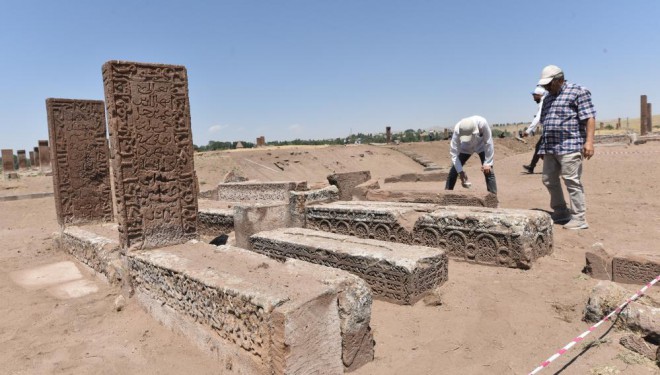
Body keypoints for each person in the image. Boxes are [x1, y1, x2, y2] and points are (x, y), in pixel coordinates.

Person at [536, 65, 596, 230]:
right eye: (545, 85)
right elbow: (546, 123)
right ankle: (561, 211)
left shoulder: (578, 91)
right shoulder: (547, 98)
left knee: (571, 180)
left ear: (560, 80)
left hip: (570, 145)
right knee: (548, 179)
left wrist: (589, 142)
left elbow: (589, 117)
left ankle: (579, 217)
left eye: (549, 84)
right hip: (550, 147)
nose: (546, 87)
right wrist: (542, 147)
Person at [445, 115, 497, 194]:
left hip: (481, 145)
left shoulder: (482, 123)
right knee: (454, 171)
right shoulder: (457, 130)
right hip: (466, 146)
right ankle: (447, 195)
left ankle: (493, 199)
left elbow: (489, 142)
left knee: (488, 170)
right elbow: (454, 153)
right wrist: (461, 172)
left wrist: (488, 163)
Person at [522, 86, 547, 174]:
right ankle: (531, 167)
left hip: (548, 131)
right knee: (540, 148)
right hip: (547, 131)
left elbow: (537, 118)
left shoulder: (543, 102)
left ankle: (532, 167)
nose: (533, 98)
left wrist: (528, 131)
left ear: (539, 95)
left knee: (541, 149)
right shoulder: (544, 101)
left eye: (534, 95)